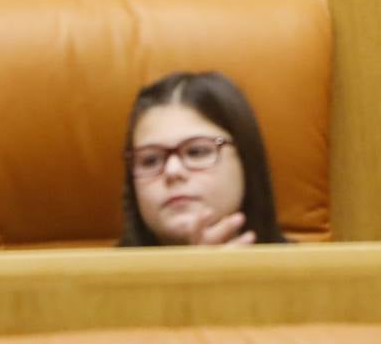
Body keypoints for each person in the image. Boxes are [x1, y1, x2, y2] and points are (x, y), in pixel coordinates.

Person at [119, 71, 288, 247]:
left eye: (197, 152)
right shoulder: (98, 274)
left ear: (245, 161)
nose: (172, 171)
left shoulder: (310, 270)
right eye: (150, 160)